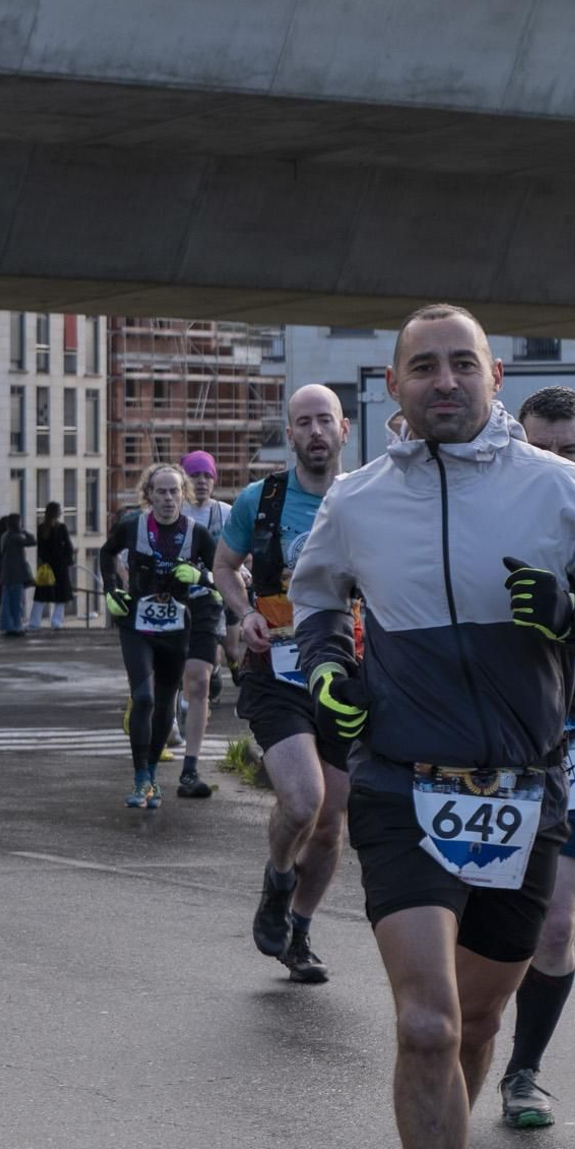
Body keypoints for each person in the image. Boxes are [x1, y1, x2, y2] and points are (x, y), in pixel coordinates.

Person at [291, 305, 575, 1149]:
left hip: (522, 790)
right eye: (424, 366)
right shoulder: (359, 501)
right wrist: (325, 664)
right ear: (393, 383)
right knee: (422, 1023)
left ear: (494, 375)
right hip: (401, 784)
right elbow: (316, 598)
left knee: (474, 1024)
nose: (444, 380)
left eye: (463, 363)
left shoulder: (554, 487)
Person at [213, 386, 353, 985]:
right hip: (278, 672)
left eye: (325, 420)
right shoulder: (260, 499)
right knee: (302, 800)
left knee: (330, 824)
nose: (316, 431)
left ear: (343, 429)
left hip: (347, 676)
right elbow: (224, 565)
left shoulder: (368, 496)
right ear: (290, 434)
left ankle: (299, 928)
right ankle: (277, 876)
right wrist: (243, 611)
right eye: (304, 423)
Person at [497, 385, 575, 1130]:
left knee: (558, 924)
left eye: (569, 450)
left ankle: (524, 1071)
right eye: (541, 449)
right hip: (483, 749)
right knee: (489, 927)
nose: (557, 462)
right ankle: (466, 1034)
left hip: (566, 746)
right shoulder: (486, 518)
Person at [100, 465, 222, 810]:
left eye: (174, 492)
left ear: (183, 494)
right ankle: (139, 779)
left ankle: (152, 776)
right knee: (143, 698)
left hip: (175, 629)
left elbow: (221, 575)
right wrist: (111, 590)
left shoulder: (197, 535)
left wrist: (199, 574)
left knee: (165, 705)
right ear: (148, 495)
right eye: (160, 492)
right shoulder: (131, 527)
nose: (168, 499)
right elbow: (106, 553)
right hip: (136, 626)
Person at [181, 450, 236, 697]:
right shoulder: (175, 511)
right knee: (190, 643)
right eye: (194, 475)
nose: (201, 481)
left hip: (223, 588)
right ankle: (200, 679)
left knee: (232, 649)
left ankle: (231, 666)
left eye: (207, 476)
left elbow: (244, 550)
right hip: (187, 591)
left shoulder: (225, 513)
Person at [29, 501, 75, 630]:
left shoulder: (41, 528)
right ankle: (56, 622)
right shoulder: (61, 528)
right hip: (60, 566)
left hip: (46, 566)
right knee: (61, 596)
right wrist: (68, 559)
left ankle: (34, 623)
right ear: (57, 513)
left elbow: (41, 549)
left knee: (41, 595)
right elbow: (68, 546)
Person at [0, 512, 35, 637]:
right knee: (17, 602)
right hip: (16, 574)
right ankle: (16, 626)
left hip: (6, 574)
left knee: (6, 601)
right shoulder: (16, 537)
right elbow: (32, 541)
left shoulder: (5, 536)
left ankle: (6, 626)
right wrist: (24, 531)